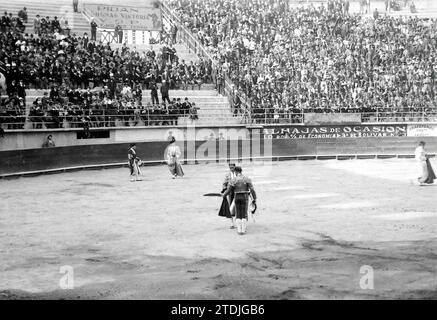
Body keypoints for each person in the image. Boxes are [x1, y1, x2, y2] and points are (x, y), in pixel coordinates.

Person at [222, 166, 257, 235]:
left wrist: (224, 195)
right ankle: (243, 230)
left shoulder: (233, 180)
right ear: (241, 171)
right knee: (243, 213)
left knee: (238, 213)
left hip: (237, 197)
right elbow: (252, 190)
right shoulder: (247, 179)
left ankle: (239, 230)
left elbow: (229, 190)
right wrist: (254, 198)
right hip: (244, 197)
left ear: (235, 171)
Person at [219, 163, 237, 229]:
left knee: (237, 207)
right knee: (230, 207)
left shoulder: (237, 173)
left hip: (237, 192)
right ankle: (232, 223)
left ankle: (237, 222)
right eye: (230, 167)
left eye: (232, 167)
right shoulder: (227, 175)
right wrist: (224, 190)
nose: (231, 168)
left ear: (235, 167)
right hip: (230, 193)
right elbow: (224, 183)